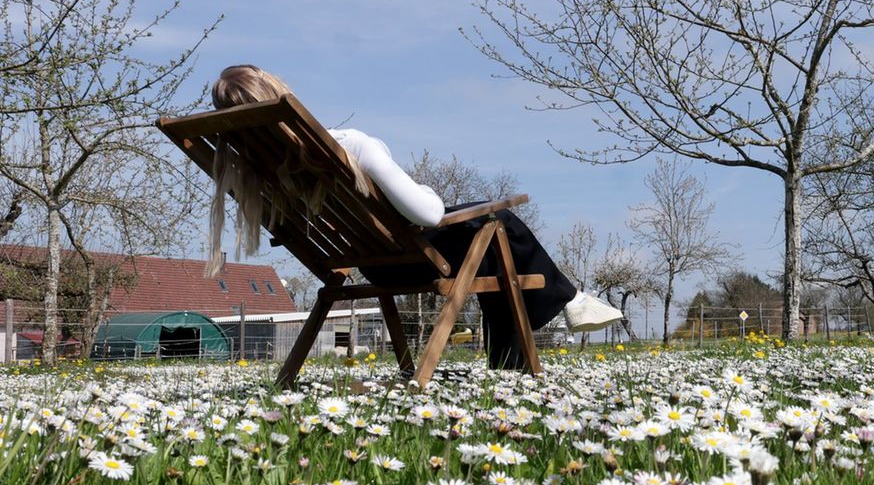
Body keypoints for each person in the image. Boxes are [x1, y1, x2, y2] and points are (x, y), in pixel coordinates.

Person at [206, 64, 622, 369]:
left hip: (373, 266)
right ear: (278, 90)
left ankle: (535, 334)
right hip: (411, 256)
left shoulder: (254, 174)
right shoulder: (347, 145)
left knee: (495, 249)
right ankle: (566, 302)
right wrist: (425, 189)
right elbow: (428, 211)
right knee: (500, 225)